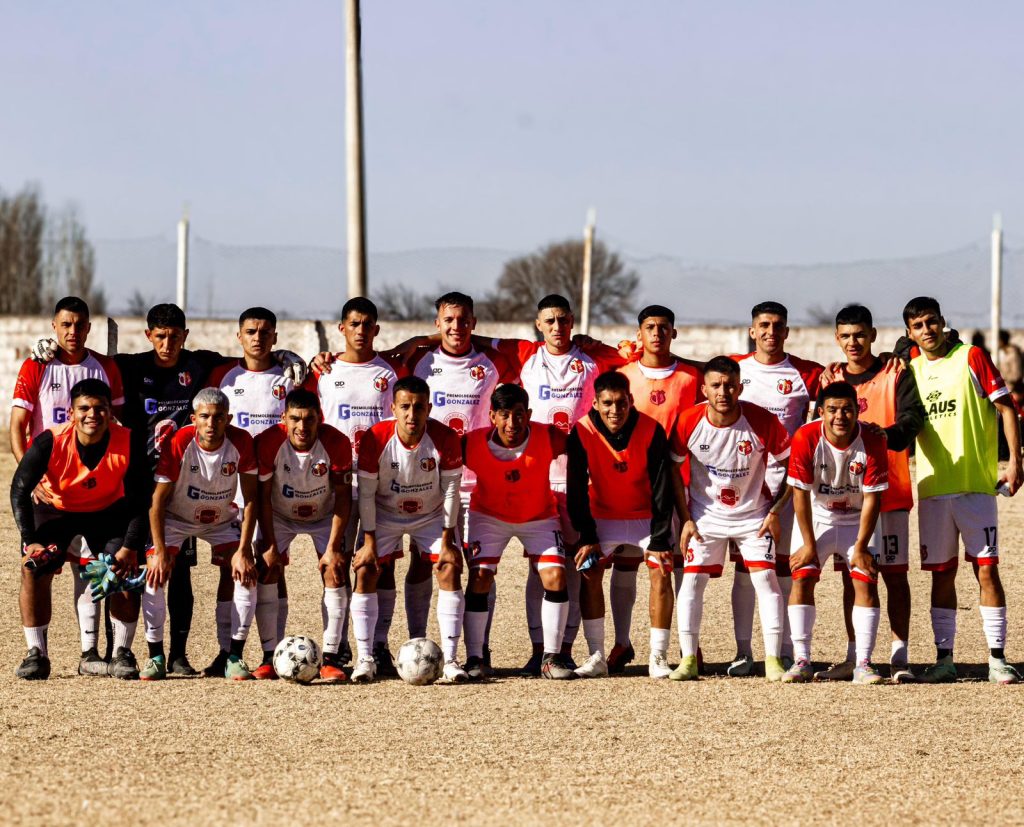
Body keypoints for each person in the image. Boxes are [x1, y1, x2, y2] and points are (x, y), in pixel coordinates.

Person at [24, 302, 306, 675]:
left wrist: (284, 356)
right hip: (137, 481)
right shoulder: (130, 366)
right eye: (160, 336)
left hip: (185, 482)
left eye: (174, 337)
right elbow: (86, 360)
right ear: (148, 336)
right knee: (128, 563)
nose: (168, 344)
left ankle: (178, 654)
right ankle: (116, 651)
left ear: (184, 337)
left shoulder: (201, 365)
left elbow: (250, 358)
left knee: (180, 571)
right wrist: (50, 348)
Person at [483, 294, 623, 674]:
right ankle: (539, 649)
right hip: (538, 478)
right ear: (538, 325)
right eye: (550, 321)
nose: (557, 327)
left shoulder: (592, 359)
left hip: (581, 478)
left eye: (563, 320)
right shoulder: (525, 354)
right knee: (540, 566)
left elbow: (636, 359)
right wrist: (419, 342)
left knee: (577, 564)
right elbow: (473, 339)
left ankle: (565, 648)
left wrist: (599, 344)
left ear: (572, 321)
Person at [392, 292, 518, 673]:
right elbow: (378, 362)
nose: (456, 327)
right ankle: (418, 644)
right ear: (437, 323)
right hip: (426, 481)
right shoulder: (419, 361)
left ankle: (478, 650)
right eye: (448, 320)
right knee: (421, 561)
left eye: (463, 320)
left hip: (477, 482)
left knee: (479, 568)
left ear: (474, 323)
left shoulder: (493, 364)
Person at [904, 297, 1022, 684]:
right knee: (941, 575)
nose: (927, 330)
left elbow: (1006, 408)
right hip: (933, 488)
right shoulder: (910, 370)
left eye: (931, 322)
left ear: (942, 322)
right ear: (910, 333)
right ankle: (944, 660)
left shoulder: (971, 357)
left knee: (986, 570)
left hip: (975, 487)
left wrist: (1015, 462)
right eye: (918, 325)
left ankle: (997, 659)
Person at [10, 296, 124, 674]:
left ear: (89, 328)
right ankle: (36, 653)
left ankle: (89, 654)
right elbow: (18, 426)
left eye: (79, 325)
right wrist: (31, 475)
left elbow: (118, 425)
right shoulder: (37, 365)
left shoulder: (107, 366)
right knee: (36, 566)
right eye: (65, 325)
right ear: (54, 327)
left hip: (93, 486)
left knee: (90, 567)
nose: (73, 331)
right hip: (50, 488)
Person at [11, 379, 147, 680]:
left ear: (110, 412)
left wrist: (129, 547)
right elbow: (19, 490)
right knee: (33, 567)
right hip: (57, 511)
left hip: (108, 512)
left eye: (100, 408)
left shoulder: (128, 441)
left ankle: (122, 652)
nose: (92, 415)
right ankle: (36, 654)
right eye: (84, 408)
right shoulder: (49, 441)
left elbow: (141, 500)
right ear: (71, 413)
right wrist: (30, 542)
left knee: (122, 568)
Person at [815, 305, 923, 683]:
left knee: (894, 574)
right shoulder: (830, 378)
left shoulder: (895, 372)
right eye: (845, 336)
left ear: (873, 335)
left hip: (890, 492)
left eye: (860, 334)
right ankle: (855, 657)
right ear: (836, 339)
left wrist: (885, 435)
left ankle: (899, 657)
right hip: (847, 500)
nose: (853, 342)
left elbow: (913, 420)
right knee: (854, 577)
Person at [670, 356, 790, 682]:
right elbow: (673, 469)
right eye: (716, 385)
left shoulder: (762, 420)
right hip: (705, 517)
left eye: (729, 385)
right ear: (704, 389)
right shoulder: (688, 421)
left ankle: (773, 660)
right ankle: (689, 659)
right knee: (692, 581)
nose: (723, 392)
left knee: (766, 580)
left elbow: (791, 466)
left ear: (740, 387)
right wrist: (686, 518)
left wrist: (774, 511)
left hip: (753, 517)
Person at [303, 296, 403, 672]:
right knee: (336, 563)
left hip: (382, 482)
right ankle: (339, 644)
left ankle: (379, 644)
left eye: (367, 325)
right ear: (342, 328)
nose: (361, 331)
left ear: (376, 329)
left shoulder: (391, 372)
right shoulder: (324, 371)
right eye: (354, 324)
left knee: (381, 565)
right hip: (338, 483)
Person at [728, 301, 823, 675]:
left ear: (787, 331)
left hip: (788, 487)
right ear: (752, 331)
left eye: (777, 325)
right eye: (764, 325)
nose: (770, 331)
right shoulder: (735, 369)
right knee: (745, 570)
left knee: (784, 567)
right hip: (744, 484)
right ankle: (743, 651)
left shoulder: (807, 373)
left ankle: (783, 650)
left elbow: (846, 381)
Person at [353, 376, 468, 683]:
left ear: (429, 408)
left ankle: (450, 660)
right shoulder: (375, 438)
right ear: (393, 408)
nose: (411, 414)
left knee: (449, 567)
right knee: (366, 569)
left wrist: (447, 541)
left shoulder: (445, 437)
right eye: (405, 407)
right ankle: (366, 658)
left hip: (430, 515)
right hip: (385, 513)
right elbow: (366, 494)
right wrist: (369, 543)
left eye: (419, 407)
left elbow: (451, 491)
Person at [144, 387, 259, 680]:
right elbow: (157, 502)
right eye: (205, 417)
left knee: (244, 573)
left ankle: (232, 656)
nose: (211, 423)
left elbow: (251, 499)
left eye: (218, 417)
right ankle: (155, 657)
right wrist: (159, 551)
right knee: (154, 574)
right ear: (194, 418)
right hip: (177, 519)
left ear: (228, 419)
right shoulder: (179, 441)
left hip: (221, 521)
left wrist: (244, 550)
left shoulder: (241, 441)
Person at [207, 307, 297, 679]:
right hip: (234, 490)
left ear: (275, 337)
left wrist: (293, 359)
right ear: (238, 336)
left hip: (278, 488)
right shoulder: (222, 376)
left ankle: (272, 653)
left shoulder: (291, 377)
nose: (257, 338)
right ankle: (226, 652)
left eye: (264, 332)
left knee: (272, 565)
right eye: (250, 331)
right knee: (231, 569)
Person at [462, 384, 575, 680]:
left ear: (529, 414)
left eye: (518, 414)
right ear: (492, 416)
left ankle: (551, 658)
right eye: (504, 415)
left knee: (556, 576)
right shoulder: (470, 443)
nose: (512, 422)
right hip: (488, 516)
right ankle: (475, 657)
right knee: (480, 576)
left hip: (539, 516)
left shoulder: (548, 436)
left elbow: (582, 450)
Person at [566, 371, 675, 678]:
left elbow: (663, 486)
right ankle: (597, 656)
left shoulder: (651, 429)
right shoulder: (582, 430)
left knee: (661, 569)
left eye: (621, 403)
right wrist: (587, 535)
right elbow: (576, 488)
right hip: (603, 516)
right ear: (595, 403)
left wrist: (660, 537)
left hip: (645, 516)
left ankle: (658, 656)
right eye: (608, 403)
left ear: (631, 400)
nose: (615, 410)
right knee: (589, 569)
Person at [614, 304, 703, 672]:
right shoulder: (621, 375)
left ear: (673, 333)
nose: (657, 333)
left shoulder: (691, 377)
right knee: (625, 563)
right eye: (650, 327)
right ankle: (621, 642)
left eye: (664, 327)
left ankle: (687, 646)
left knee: (679, 564)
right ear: (639, 334)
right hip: (632, 483)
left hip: (681, 482)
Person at [783, 381, 889, 684]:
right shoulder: (805, 437)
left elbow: (873, 499)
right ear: (821, 412)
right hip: (819, 516)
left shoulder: (872, 439)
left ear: (858, 411)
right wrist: (808, 544)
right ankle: (802, 660)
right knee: (802, 577)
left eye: (847, 409)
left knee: (865, 581)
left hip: (858, 519)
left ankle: (863, 663)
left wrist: (861, 547)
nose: (839, 416)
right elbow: (800, 494)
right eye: (832, 410)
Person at [254, 390, 353, 682]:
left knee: (335, 570)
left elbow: (344, 498)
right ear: (283, 418)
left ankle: (331, 659)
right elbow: (262, 498)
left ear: (319, 419)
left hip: (324, 515)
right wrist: (271, 545)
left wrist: (333, 548)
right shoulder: (268, 442)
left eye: (309, 419)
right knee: (268, 569)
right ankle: (269, 656)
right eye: (295, 419)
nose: (302, 426)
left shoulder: (336, 442)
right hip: (280, 515)